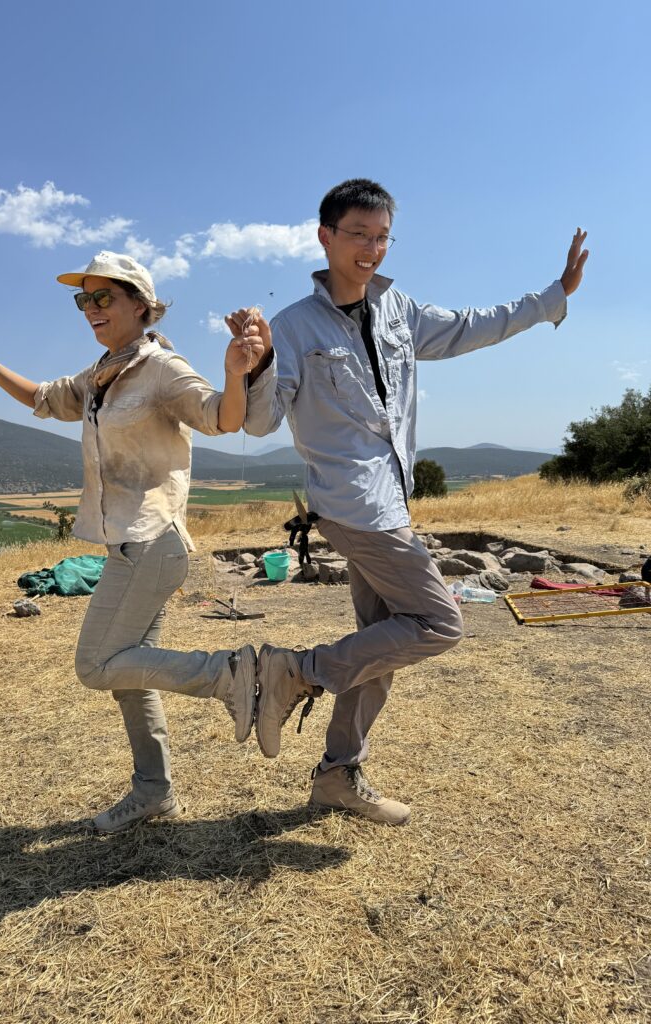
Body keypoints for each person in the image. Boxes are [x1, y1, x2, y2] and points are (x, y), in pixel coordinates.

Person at [231, 178, 588, 825]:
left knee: (384, 641)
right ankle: (298, 671)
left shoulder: (401, 313)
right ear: (326, 238)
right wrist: (253, 368)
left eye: (381, 236)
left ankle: (339, 774)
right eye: (358, 235)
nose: (371, 249)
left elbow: (477, 326)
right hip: (351, 504)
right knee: (439, 622)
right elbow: (258, 425)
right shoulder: (292, 328)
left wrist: (553, 297)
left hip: (391, 500)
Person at [0, 251, 271, 832]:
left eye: (104, 297)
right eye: (84, 299)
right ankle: (154, 791)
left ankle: (232, 676)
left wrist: (235, 374)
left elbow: (222, 419)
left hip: (154, 543)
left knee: (95, 664)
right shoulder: (102, 375)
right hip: (126, 545)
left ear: (139, 304)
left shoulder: (161, 369)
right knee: (129, 675)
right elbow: (43, 399)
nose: (91, 309)